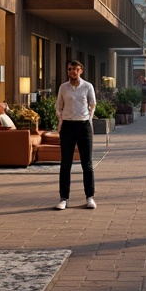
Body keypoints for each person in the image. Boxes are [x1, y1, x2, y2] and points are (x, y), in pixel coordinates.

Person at [54, 60, 96, 210]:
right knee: (65, 164)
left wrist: (88, 120)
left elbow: (92, 104)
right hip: (67, 126)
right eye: (70, 69)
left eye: (75, 69)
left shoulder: (87, 86)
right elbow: (58, 106)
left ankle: (89, 197)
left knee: (87, 164)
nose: (72, 72)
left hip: (83, 126)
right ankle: (63, 198)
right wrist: (61, 120)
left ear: (81, 71)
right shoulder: (63, 88)